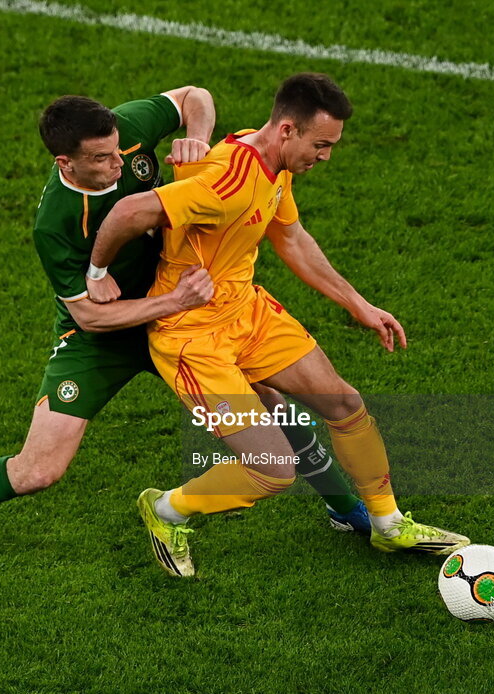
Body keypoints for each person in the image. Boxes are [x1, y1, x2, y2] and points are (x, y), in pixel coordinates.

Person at [0, 86, 370, 578]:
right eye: (102, 159)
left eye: (119, 151)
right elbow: (91, 317)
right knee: (38, 470)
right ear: (64, 162)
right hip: (105, 337)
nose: (120, 163)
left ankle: (347, 510)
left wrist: (196, 142)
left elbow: (193, 96)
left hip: (187, 324)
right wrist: (171, 301)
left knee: (272, 410)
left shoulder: (121, 130)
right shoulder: (56, 225)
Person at [86, 74, 470, 577]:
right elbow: (131, 210)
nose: (326, 155)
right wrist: (96, 274)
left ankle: (388, 524)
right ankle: (164, 510)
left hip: (245, 310)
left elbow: (290, 238)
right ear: (288, 130)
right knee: (271, 471)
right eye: (322, 144)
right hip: (191, 337)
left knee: (346, 405)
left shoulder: (273, 161)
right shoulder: (228, 181)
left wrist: (358, 304)